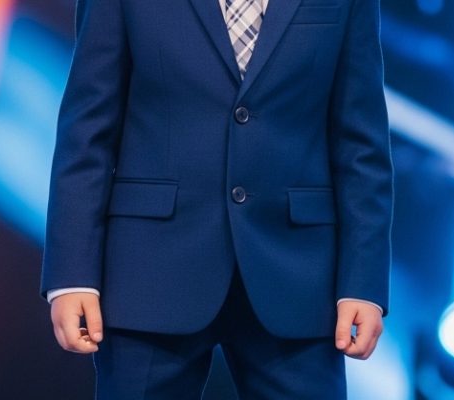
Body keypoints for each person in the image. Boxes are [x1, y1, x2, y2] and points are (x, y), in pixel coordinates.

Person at [40, 0, 393, 398]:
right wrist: (72, 275)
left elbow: (361, 146)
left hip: (297, 275)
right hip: (151, 271)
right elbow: (87, 131)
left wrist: (362, 283)